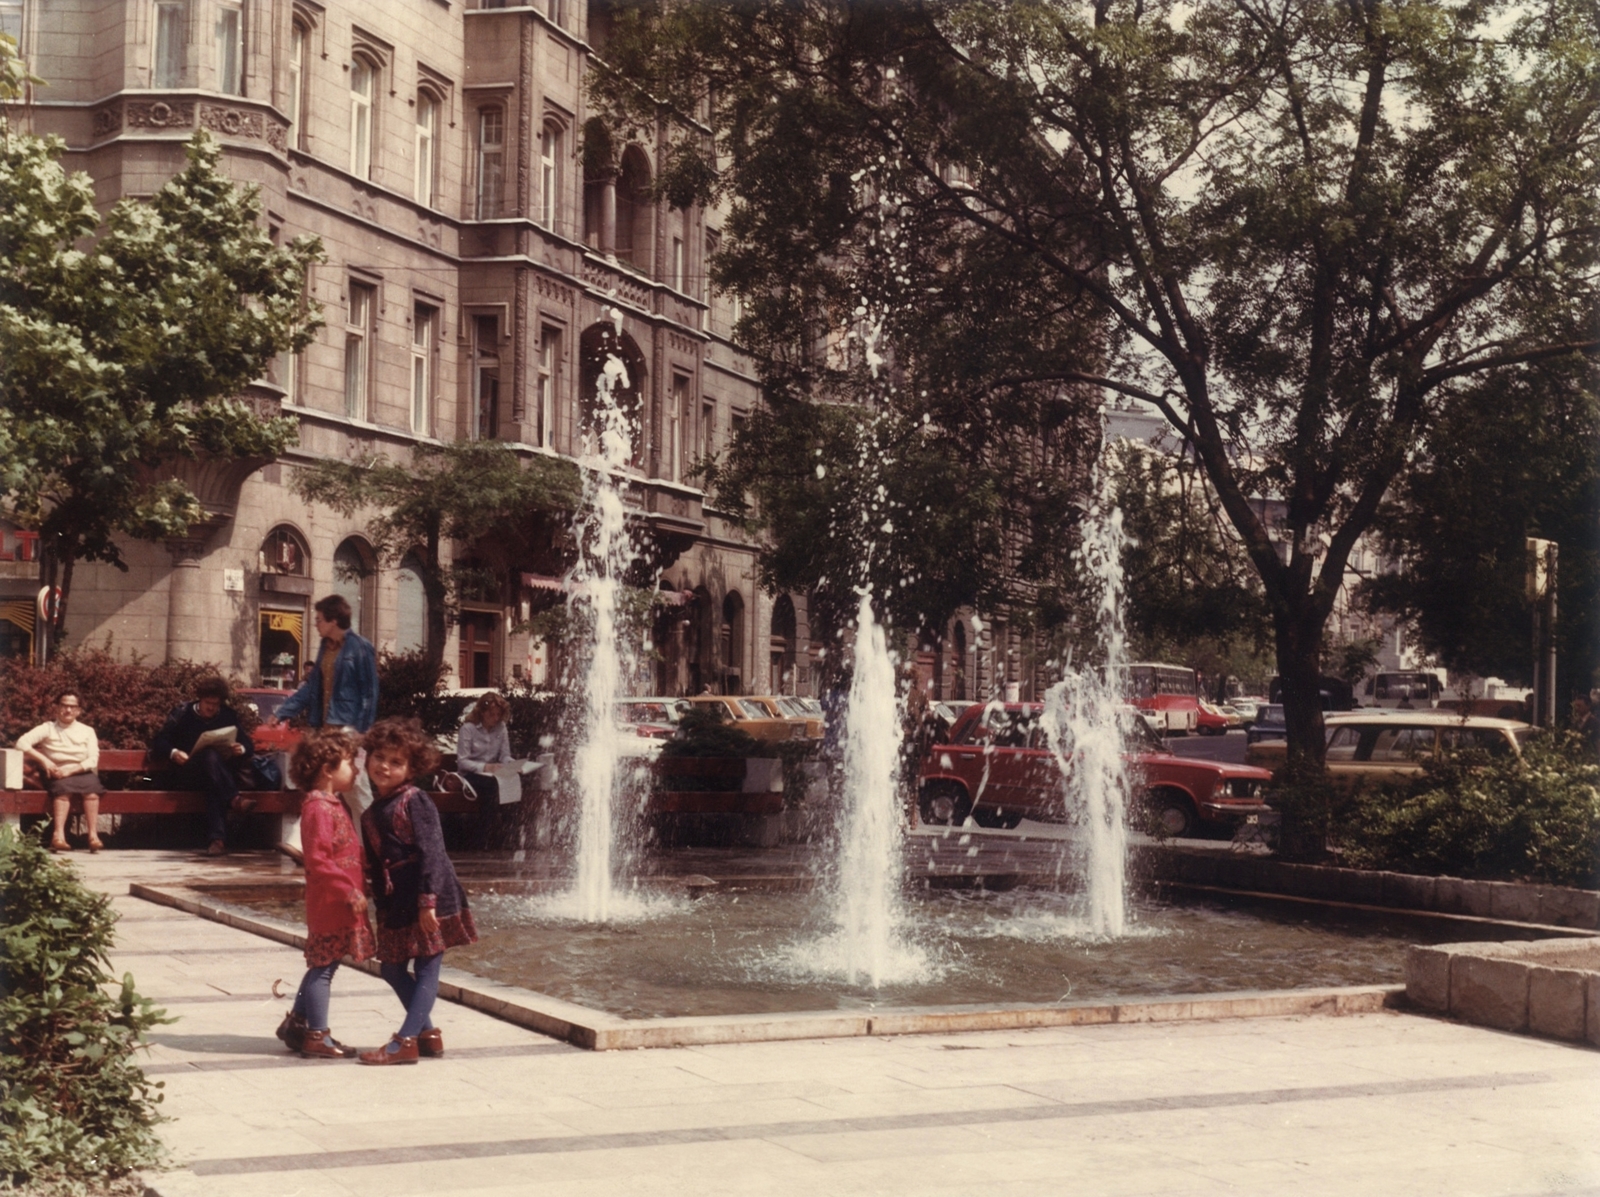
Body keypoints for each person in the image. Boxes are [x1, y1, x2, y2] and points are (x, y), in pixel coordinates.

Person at [359, 717, 476, 1065]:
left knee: (427, 967)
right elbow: (376, 869)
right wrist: (381, 908)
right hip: (399, 901)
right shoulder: (369, 814)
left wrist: (428, 903)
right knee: (392, 968)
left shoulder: (416, 800)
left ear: (411, 768)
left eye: (396, 762)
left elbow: (432, 852)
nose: (385, 766)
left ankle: (405, 1040)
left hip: (431, 894)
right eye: (380, 757)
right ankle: (427, 1033)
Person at [274, 728, 374, 1059]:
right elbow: (318, 860)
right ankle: (317, 1035)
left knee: (324, 963)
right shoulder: (318, 807)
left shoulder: (331, 802)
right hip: (332, 902)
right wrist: (348, 889)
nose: (356, 769)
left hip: (339, 900)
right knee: (324, 967)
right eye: (349, 762)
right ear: (328, 769)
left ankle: (299, 1024)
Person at [268, 595, 379, 857]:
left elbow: (370, 693)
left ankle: (376, 847)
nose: (315, 624)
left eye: (319, 619)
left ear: (334, 619)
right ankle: (365, 848)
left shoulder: (360, 647)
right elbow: (312, 690)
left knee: (356, 791)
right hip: (327, 728)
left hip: (349, 730)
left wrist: (362, 730)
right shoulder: (325, 648)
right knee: (341, 789)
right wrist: (284, 711)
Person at [152, 676, 256, 857]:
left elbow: (248, 744)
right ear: (199, 699)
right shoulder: (183, 714)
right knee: (209, 758)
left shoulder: (227, 715)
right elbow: (159, 741)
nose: (211, 708)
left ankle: (217, 841)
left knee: (213, 780)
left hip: (215, 777)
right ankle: (234, 800)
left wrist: (241, 748)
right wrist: (174, 753)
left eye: (216, 704)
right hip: (186, 774)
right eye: (208, 703)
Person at [17, 692, 105, 853]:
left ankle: (93, 836)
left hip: (80, 770)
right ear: (57, 708)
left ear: (78, 711)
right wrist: (45, 761)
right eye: (64, 706)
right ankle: (58, 836)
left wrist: (71, 770)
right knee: (63, 792)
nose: (68, 710)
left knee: (92, 792)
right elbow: (21, 743)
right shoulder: (47, 728)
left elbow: (93, 759)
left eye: (72, 707)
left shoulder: (87, 731)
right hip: (56, 771)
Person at [456, 693, 512, 849]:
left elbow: (505, 755)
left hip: (493, 774)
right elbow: (463, 762)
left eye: (498, 715)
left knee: (514, 782)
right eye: (491, 714)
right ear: (481, 712)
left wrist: (511, 765)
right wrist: (485, 767)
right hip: (471, 775)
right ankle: (483, 840)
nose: (495, 718)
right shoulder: (468, 729)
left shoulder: (501, 727)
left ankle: (506, 837)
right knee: (491, 788)